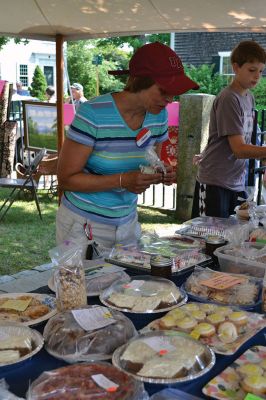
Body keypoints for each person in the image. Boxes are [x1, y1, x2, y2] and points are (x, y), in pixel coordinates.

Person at [56, 41, 199, 255]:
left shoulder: (159, 115)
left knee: (126, 287)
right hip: (83, 225)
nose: (169, 100)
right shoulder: (93, 113)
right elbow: (66, 178)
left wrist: (161, 173)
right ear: (141, 82)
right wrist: (123, 180)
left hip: (127, 224)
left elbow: (152, 162)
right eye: (163, 91)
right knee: (81, 288)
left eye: (173, 93)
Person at [191, 40, 266, 219]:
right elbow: (239, 149)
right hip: (215, 180)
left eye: (261, 71)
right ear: (235, 67)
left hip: (235, 180)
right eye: (251, 70)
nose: (257, 76)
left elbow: (247, 140)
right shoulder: (229, 99)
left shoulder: (249, 98)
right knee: (210, 238)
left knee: (233, 237)